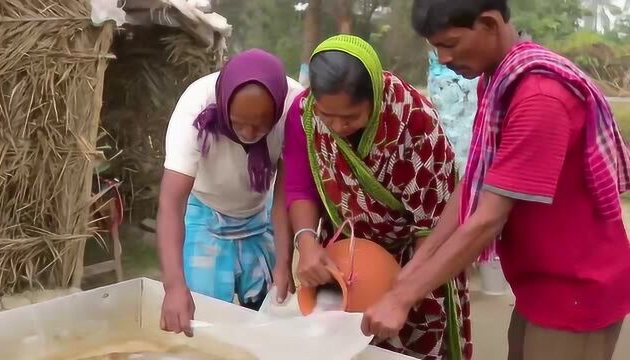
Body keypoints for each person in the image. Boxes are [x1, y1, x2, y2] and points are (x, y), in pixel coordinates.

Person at [362, 1, 630, 360]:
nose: (442, 58)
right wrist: (420, 261)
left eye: (451, 44)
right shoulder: (499, 80)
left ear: (488, 23)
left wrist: (402, 297)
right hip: (539, 285)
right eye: (435, 47)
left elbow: (488, 218)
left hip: (576, 290)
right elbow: (473, 183)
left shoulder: (538, 98)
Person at [283, 34, 472, 359]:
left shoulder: (414, 123)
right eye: (329, 116)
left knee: (408, 344)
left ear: (375, 95)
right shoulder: (306, 114)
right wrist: (306, 242)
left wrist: (403, 291)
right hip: (344, 258)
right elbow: (300, 185)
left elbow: (433, 224)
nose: (339, 127)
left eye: (351, 117)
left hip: (415, 258)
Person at [157, 49, 303, 337]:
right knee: (206, 323)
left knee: (269, 319)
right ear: (223, 107)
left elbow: (284, 197)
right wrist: (174, 287)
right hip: (205, 213)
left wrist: (285, 264)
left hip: (261, 211)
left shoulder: (293, 109)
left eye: (261, 124)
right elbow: (172, 203)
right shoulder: (195, 108)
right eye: (238, 123)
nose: (249, 133)